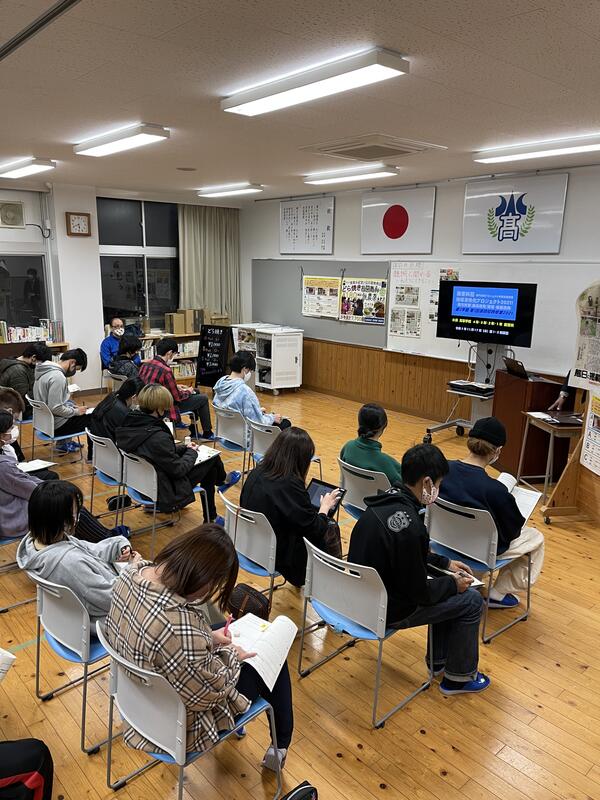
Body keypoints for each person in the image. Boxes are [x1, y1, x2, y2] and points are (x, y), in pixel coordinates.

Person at [105, 524, 293, 769]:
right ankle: (280, 745)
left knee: (220, 628)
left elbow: (170, 641)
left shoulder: (130, 575)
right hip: (180, 725)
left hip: (137, 699)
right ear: (203, 579)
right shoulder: (177, 626)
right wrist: (232, 656)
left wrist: (208, 637)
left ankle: (278, 744)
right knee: (273, 657)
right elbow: (210, 693)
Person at [348, 444, 490, 696]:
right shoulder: (412, 526)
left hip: (361, 598)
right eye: (439, 483)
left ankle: (439, 661)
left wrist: (444, 564)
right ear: (426, 482)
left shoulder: (382, 502)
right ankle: (458, 678)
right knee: (471, 601)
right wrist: (453, 583)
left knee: (447, 586)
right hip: (386, 610)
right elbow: (420, 593)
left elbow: (405, 553)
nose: (438, 489)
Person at [438, 416, 545, 609]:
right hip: (479, 550)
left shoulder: (442, 469)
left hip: (443, 541)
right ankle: (498, 593)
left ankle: (471, 576)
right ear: (497, 451)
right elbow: (513, 532)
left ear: (470, 441)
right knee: (535, 536)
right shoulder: (496, 490)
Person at [116, 384, 238, 522]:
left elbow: (157, 452)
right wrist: (191, 452)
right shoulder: (157, 436)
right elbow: (178, 470)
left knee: (210, 464)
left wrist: (184, 448)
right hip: (164, 489)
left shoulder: (130, 424)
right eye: (165, 408)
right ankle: (217, 497)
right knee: (212, 461)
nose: (167, 410)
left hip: (140, 482)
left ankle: (213, 511)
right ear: (158, 409)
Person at [17, 481, 138, 621]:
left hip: (82, 611)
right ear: (60, 519)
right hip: (111, 618)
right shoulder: (70, 562)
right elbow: (111, 599)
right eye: (74, 512)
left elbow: (91, 549)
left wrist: (118, 545)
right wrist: (132, 571)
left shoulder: (41, 542)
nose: (77, 516)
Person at [240, 427, 341, 587]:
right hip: (277, 554)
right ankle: (332, 582)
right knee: (329, 526)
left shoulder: (258, 471)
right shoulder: (289, 485)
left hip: (250, 543)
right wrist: (325, 507)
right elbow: (314, 529)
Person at [0, 417, 129, 542]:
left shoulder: (4, 461)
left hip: (9, 508)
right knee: (70, 506)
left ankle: (88, 538)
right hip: (12, 518)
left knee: (57, 489)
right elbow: (32, 491)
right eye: (10, 428)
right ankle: (107, 538)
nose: (14, 429)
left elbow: (22, 481)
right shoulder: (3, 467)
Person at [138, 337, 213, 440]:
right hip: (164, 405)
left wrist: (177, 386)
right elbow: (177, 397)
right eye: (174, 354)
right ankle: (207, 432)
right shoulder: (166, 370)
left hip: (147, 400)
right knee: (202, 398)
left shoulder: (145, 364)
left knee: (196, 392)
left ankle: (193, 428)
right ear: (169, 353)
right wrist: (188, 391)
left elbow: (154, 382)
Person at [213, 351, 290, 439]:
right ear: (245, 368)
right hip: (244, 437)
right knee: (285, 423)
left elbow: (231, 409)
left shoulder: (220, 385)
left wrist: (258, 411)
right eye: (249, 370)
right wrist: (272, 417)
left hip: (225, 433)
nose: (249, 373)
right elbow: (259, 423)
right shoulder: (245, 392)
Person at [33, 347, 89, 453]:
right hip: (55, 426)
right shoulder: (58, 377)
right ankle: (91, 456)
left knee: (71, 404)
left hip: (43, 423)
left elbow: (50, 402)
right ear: (72, 363)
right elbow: (56, 408)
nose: (74, 372)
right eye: (76, 369)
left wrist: (70, 407)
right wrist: (76, 411)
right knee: (94, 419)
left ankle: (64, 443)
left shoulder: (43, 371)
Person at [340, 402, 402, 485]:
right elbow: (405, 484)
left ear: (359, 423)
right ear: (383, 426)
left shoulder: (347, 447)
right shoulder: (385, 462)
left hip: (350, 493)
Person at [0, 342, 51, 419]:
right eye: (42, 363)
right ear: (33, 358)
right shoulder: (18, 371)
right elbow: (24, 399)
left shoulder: (11, 362)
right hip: (18, 412)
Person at [90, 377, 144, 442]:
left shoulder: (111, 397)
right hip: (110, 446)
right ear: (134, 397)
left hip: (95, 444)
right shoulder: (125, 413)